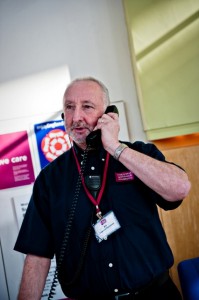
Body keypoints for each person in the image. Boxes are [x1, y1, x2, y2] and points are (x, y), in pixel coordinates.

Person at [14, 77, 191, 300]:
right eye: (70, 107)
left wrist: (115, 148)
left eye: (87, 106)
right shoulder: (50, 179)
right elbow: (37, 256)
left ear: (108, 114)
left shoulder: (139, 154)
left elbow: (180, 188)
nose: (76, 117)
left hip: (155, 294)